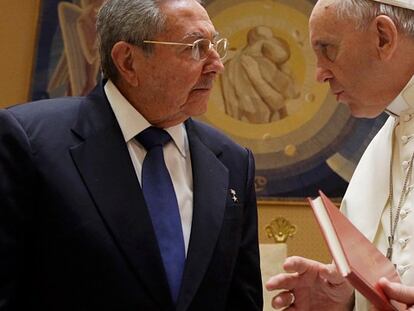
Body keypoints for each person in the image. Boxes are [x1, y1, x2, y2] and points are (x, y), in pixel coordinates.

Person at [0, 0, 263, 310]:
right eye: (195, 47)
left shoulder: (232, 161)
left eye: (214, 45)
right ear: (128, 61)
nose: (216, 64)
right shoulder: (28, 141)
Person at [265, 0, 414, 310]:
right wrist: (347, 299)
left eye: (328, 49)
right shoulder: (387, 138)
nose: (319, 74)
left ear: (383, 38)